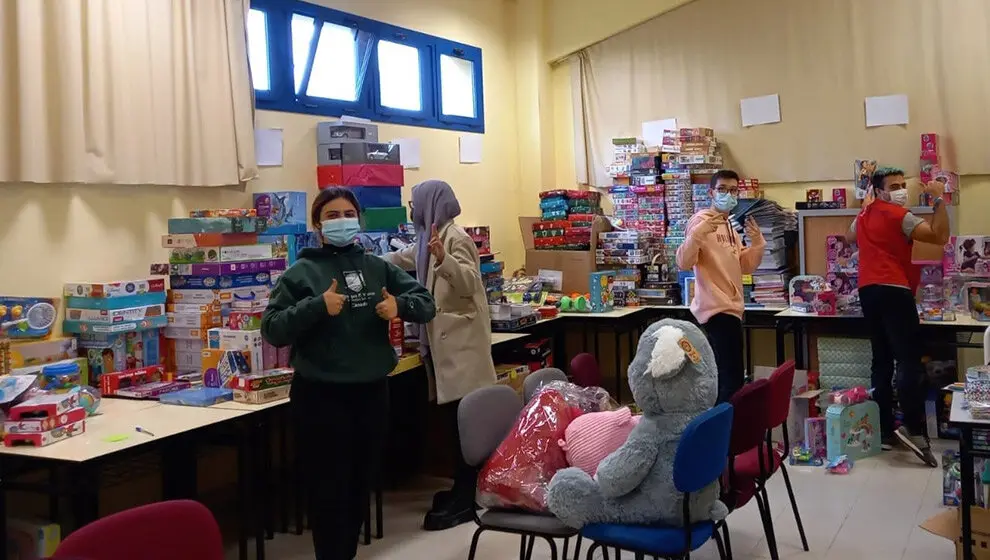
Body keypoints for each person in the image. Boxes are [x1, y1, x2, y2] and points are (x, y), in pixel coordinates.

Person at [261, 187, 436, 560]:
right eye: (332, 215)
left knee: (360, 486)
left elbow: (426, 303)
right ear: (318, 224)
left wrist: (398, 305)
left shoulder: (377, 267)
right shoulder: (301, 272)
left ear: (359, 220)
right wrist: (316, 307)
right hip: (321, 397)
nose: (341, 221)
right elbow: (273, 328)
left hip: (370, 393)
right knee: (329, 491)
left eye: (347, 214)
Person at [383, 179, 497, 531]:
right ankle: (460, 489)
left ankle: (467, 495)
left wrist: (444, 260)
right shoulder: (426, 240)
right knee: (451, 425)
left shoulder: (455, 239)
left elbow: (468, 283)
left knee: (463, 428)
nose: (411, 210)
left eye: (414, 203)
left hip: (461, 349)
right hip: (444, 349)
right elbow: (398, 259)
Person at [849, 167, 948, 467]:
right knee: (908, 359)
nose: (901, 190)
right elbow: (939, 236)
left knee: (881, 360)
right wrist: (939, 200)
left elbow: (848, 236)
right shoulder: (899, 215)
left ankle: (883, 430)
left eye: (903, 185)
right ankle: (914, 430)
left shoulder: (864, 216)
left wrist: (866, 208)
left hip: (868, 290)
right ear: (879, 190)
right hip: (894, 289)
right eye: (894, 185)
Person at [676, 169, 765, 404]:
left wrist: (756, 244)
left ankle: (727, 433)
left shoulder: (729, 226)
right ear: (711, 193)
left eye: (734, 190)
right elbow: (684, 262)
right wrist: (696, 235)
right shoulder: (700, 221)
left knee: (732, 378)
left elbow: (743, 266)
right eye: (723, 189)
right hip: (716, 310)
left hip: (733, 308)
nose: (729, 195)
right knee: (728, 381)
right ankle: (724, 435)